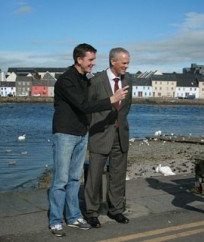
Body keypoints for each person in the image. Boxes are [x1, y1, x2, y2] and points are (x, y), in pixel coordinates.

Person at [49, 43, 129, 237]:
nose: (93, 63)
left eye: (94, 59)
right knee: (61, 180)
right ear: (79, 60)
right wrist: (112, 99)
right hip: (65, 134)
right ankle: (56, 221)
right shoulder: (65, 80)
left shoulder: (85, 79)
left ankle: (75, 216)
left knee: (75, 178)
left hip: (81, 133)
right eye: (90, 60)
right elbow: (84, 105)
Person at [84, 47, 132, 228]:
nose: (127, 66)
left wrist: (120, 126)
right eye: (124, 62)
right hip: (100, 135)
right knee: (94, 176)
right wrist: (95, 127)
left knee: (118, 176)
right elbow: (88, 108)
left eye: (128, 62)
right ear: (113, 61)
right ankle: (91, 212)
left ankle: (116, 210)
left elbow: (127, 107)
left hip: (121, 135)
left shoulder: (129, 80)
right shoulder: (96, 81)